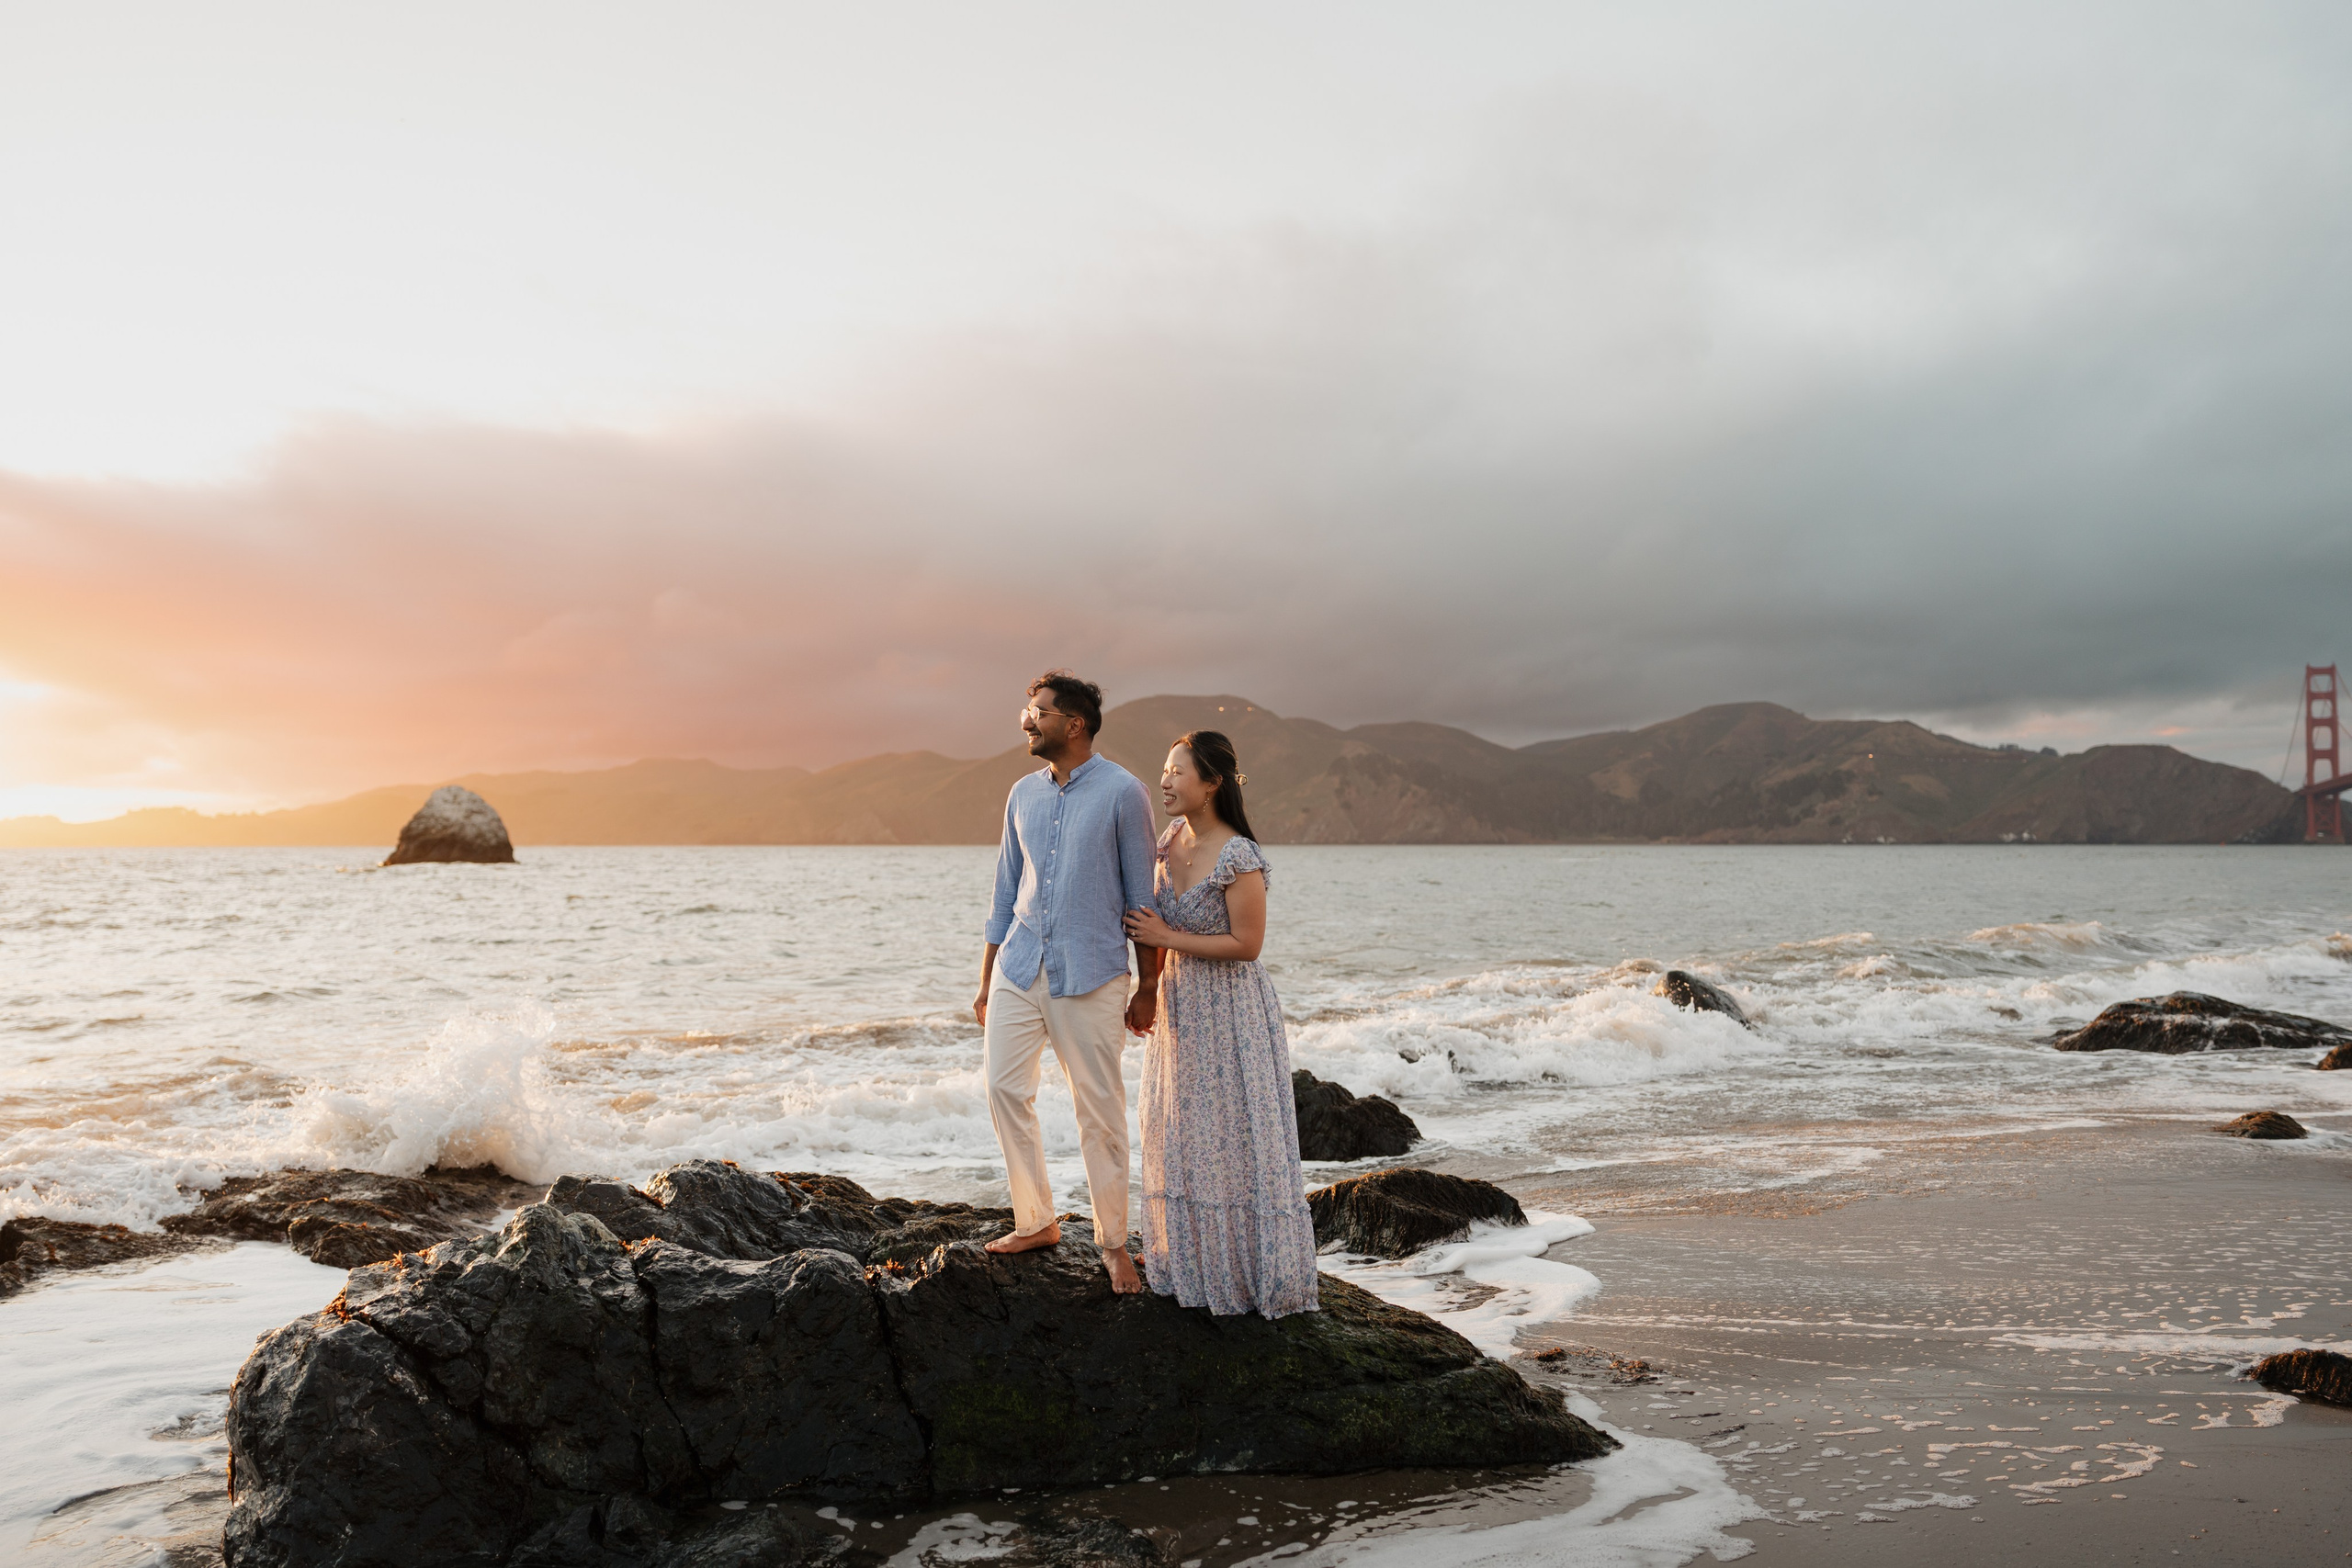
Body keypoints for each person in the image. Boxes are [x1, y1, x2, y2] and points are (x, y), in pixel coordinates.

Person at [975, 670, 1162, 1293]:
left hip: (1091, 973)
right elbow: (1004, 892)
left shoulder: (1124, 793)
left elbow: (1141, 899)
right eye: (1027, 709)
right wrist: (985, 978)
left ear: (1074, 724)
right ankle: (1037, 1221)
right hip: (1019, 966)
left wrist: (1148, 984)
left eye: (1039, 711)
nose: (1027, 720)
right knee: (1004, 1089)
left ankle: (1113, 1243)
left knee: (1099, 1109)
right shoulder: (1021, 794)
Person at [1121, 730, 1318, 1318]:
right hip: (1182, 1006)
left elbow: (1248, 944)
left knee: (1233, 1139)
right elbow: (1148, 924)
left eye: (1178, 772)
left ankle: (1247, 1275)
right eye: (1163, 770)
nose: (1165, 781)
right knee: (1183, 1132)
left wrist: (1164, 939)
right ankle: (1191, 1267)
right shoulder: (1167, 842)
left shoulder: (1239, 855)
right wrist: (1146, 985)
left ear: (1211, 784)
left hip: (1231, 1010)